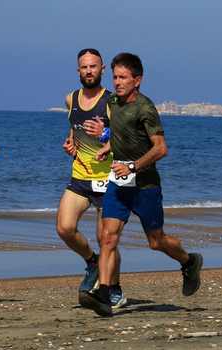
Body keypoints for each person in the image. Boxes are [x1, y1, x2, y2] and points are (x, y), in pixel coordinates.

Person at [79, 52, 203, 317]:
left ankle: (189, 261)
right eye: (114, 77)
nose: (117, 82)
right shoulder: (113, 101)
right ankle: (104, 296)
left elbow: (161, 149)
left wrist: (133, 165)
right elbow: (121, 133)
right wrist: (107, 145)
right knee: (108, 237)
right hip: (119, 182)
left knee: (156, 242)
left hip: (145, 184)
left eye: (123, 77)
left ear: (137, 80)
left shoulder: (146, 109)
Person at [56, 49, 126, 308]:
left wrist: (105, 133)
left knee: (106, 238)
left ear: (102, 69)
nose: (88, 71)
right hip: (80, 176)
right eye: (84, 67)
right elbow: (74, 128)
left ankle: (115, 287)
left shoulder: (112, 102)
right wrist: (71, 144)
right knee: (64, 228)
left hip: (108, 179)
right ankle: (91, 262)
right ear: (78, 71)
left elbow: (127, 138)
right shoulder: (70, 99)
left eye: (93, 67)